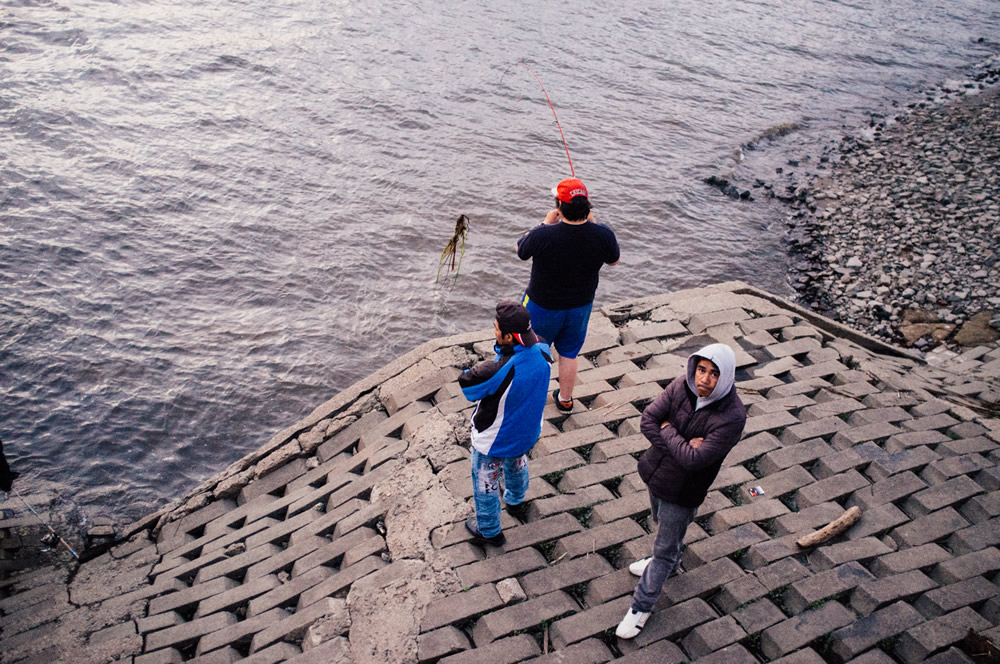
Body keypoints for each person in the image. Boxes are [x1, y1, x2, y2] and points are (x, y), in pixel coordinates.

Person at [616, 343, 747, 639]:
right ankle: (671, 563)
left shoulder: (732, 417)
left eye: (714, 374)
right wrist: (682, 444)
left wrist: (668, 430)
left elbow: (694, 461)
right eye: (701, 370)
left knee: (663, 547)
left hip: (684, 491)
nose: (704, 379)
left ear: (725, 377)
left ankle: (641, 607)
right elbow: (648, 419)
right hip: (655, 474)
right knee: (661, 524)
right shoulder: (681, 386)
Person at [516, 178, 619, 412]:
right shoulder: (603, 234)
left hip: (542, 305)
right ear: (587, 205)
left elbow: (521, 250)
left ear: (559, 206)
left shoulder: (544, 235)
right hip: (580, 306)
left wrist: (544, 223)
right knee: (569, 353)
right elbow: (614, 260)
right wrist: (595, 225)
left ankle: (528, 399)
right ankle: (565, 399)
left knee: (532, 351)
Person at [459, 300, 552, 546]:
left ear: (509, 337)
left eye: (496, 328)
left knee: (486, 484)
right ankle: (515, 500)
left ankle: (489, 530)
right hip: (526, 433)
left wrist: (482, 365)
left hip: (494, 441)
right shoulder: (543, 348)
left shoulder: (497, 369)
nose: (493, 331)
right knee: (517, 464)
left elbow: (468, 384)